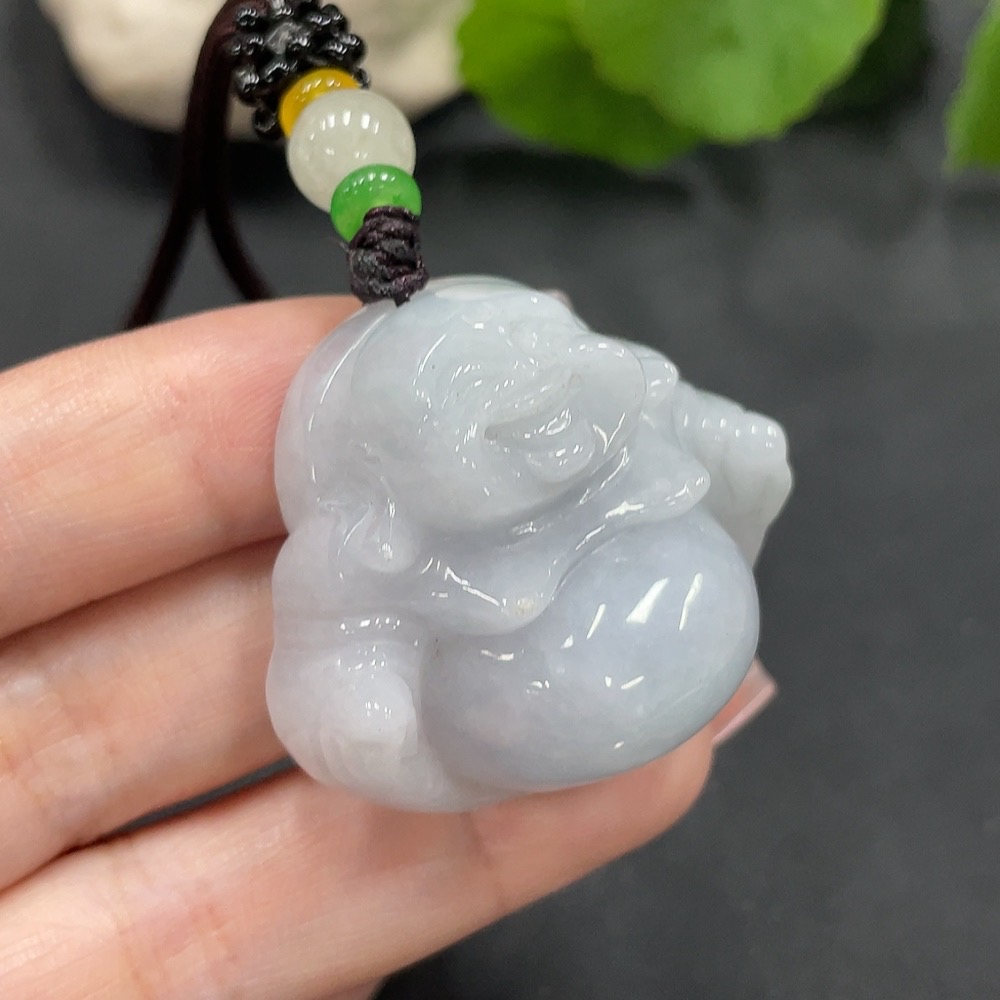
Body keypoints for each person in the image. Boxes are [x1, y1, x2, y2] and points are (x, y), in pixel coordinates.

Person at [0, 296, 771, 998]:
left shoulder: (639, 429)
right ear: (385, 472)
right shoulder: (370, 550)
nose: (553, 423)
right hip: (502, 733)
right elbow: (335, 656)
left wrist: (739, 458)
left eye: (554, 373)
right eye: (500, 419)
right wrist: (357, 714)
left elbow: (715, 449)